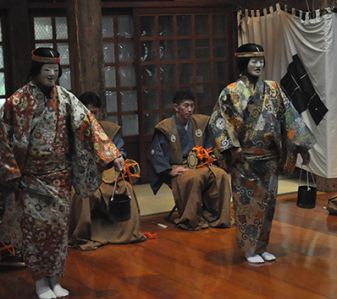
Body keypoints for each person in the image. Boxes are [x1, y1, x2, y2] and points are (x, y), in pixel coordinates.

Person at [0, 48, 124, 299]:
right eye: (47, 70)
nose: (52, 75)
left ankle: (55, 278)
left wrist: (112, 154)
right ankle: (40, 282)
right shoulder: (18, 101)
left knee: (57, 232)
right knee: (36, 231)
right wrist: (11, 172)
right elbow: (3, 139)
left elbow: (87, 124)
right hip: (31, 179)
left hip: (60, 177)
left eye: (56, 71)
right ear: (36, 71)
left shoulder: (65, 98)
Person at [209, 43, 316, 264]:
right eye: (253, 61)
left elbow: (290, 118)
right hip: (245, 159)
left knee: (268, 204)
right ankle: (250, 249)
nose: (258, 65)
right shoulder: (231, 91)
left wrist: (302, 146)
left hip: (269, 158)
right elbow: (218, 121)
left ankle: (262, 246)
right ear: (243, 63)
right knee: (248, 204)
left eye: (261, 61)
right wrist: (231, 146)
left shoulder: (274, 89)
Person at [68, 92, 146, 250]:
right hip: (80, 178)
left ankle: (129, 233)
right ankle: (82, 236)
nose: (92, 116)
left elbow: (119, 152)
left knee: (126, 188)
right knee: (81, 195)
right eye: (88, 112)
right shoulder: (71, 131)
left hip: (107, 175)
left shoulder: (108, 130)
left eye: (95, 112)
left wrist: (117, 160)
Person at [147, 90, 233, 230]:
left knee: (220, 175)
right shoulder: (166, 127)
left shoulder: (200, 123)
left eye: (192, 106)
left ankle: (217, 216)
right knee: (193, 178)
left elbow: (209, 148)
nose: (189, 109)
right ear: (176, 107)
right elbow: (156, 154)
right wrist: (169, 171)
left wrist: (208, 159)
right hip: (179, 166)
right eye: (186, 106)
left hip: (200, 164)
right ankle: (192, 219)